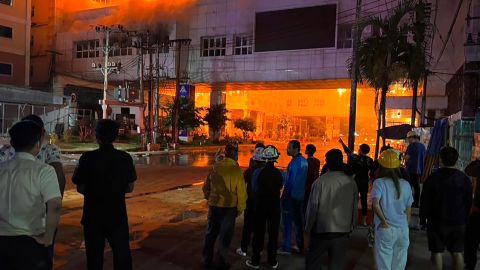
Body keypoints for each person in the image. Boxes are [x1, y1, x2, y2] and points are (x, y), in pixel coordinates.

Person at [72, 119, 137, 270]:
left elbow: (79, 186)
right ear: (115, 136)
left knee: (94, 259)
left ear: (97, 136)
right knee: (122, 257)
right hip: (117, 216)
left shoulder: (87, 158)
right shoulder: (125, 158)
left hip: (92, 217)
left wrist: (93, 192)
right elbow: (130, 187)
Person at [0, 120, 62, 270]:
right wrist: (48, 238)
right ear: (37, 144)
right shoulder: (44, 171)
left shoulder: (1, 168)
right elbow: (54, 207)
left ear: (13, 143)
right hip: (31, 241)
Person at [420, 146, 472, 270]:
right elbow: (468, 201)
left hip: (436, 221)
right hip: (458, 221)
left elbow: (425, 200)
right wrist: (465, 218)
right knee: (457, 252)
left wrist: (423, 219)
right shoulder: (464, 179)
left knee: (437, 253)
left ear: (441, 160)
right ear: (456, 160)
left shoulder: (433, 178)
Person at [305, 149, 358, 270]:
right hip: (342, 231)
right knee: (337, 264)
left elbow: (312, 209)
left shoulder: (320, 182)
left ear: (327, 162)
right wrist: (352, 225)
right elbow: (354, 206)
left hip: (321, 231)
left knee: (313, 262)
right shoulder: (350, 182)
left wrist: (307, 230)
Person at [203, 143, 247, 269]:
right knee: (224, 236)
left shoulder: (215, 167)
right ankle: (221, 262)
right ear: (234, 155)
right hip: (229, 208)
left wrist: (210, 199)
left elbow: (206, 187)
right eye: (236, 153)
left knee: (211, 234)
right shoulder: (236, 170)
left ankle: (207, 260)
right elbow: (241, 192)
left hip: (214, 207)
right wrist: (240, 208)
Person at [371, 149, 413, 270]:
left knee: (384, 264)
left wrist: (384, 222)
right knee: (399, 264)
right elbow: (408, 209)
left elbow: (375, 204)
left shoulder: (379, 183)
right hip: (402, 229)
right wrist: (405, 225)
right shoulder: (405, 184)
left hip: (386, 229)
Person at [246, 146, 285, 269]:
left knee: (258, 233)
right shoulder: (280, 173)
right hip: (274, 206)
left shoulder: (258, 172)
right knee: (273, 234)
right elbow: (282, 186)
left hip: (261, 205)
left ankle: (255, 261)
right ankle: (272, 261)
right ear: (275, 158)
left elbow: (254, 188)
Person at [280, 140, 308, 255]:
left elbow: (290, 182)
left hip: (291, 197)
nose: (287, 149)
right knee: (298, 222)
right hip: (300, 196)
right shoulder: (304, 161)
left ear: (296, 149)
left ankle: (287, 247)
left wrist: (284, 197)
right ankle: (300, 246)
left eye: (289, 148)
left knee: (287, 223)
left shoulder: (294, 164)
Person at [237, 146, 266, 257]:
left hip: (251, 203)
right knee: (260, 227)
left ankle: (244, 248)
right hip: (262, 204)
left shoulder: (250, 171)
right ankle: (258, 249)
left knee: (247, 227)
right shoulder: (266, 171)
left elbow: (242, 184)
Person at [339, 138, 373, 226]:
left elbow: (348, 151)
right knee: (364, 200)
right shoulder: (370, 160)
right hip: (365, 181)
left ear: (360, 150)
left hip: (356, 180)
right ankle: (364, 220)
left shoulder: (356, 158)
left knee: (354, 199)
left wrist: (342, 143)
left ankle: (353, 218)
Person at [464, 158, 480, 270]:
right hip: (477, 211)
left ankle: (470, 265)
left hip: (477, 212)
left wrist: (477, 161)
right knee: (471, 241)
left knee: (471, 241)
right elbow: (468, 170)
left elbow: (468, 170)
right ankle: (470, 264)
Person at [404, 131, 426, 208]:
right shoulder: (423, 146)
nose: (408, 140)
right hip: (419, 170)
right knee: (417, 188)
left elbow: (407, 157)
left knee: (408, 187)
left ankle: (408, 203)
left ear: (412, 138)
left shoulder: (411, 146)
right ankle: (416, 204)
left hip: (411, 169)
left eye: (408, 138)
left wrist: (401, 156)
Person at [304, 144, 321, 213]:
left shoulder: (305, 162)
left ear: (307, 151)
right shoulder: (317, 161)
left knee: (305, 205)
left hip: (307, 186)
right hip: (315, 186)